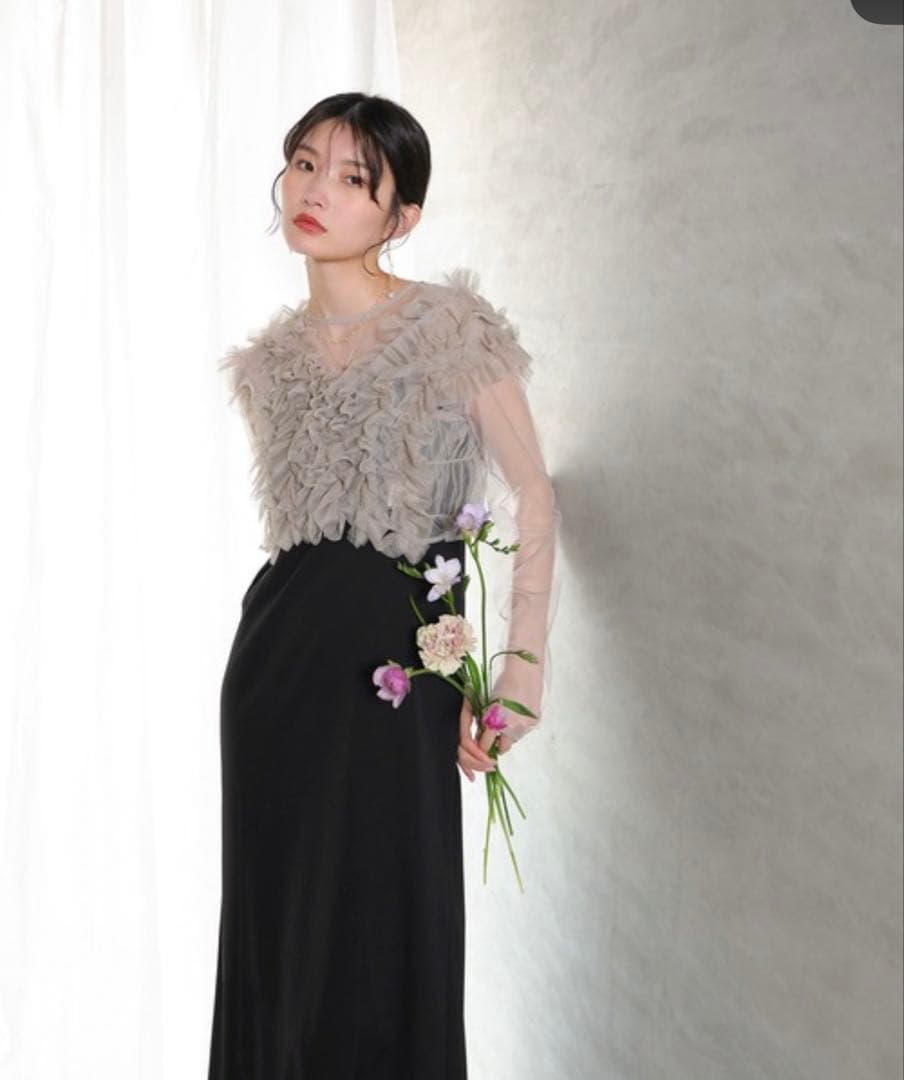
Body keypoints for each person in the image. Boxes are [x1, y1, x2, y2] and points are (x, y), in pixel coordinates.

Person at [207, 91, 561, 1080]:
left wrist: (518, 673)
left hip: (397, 675)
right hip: (274, 675)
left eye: (353, 178)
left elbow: (534, 493)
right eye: (304, 163)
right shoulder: (266, 365)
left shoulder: (449, 328)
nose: (315, 190)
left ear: (401, 215)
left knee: (384, 926)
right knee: (278, 932)